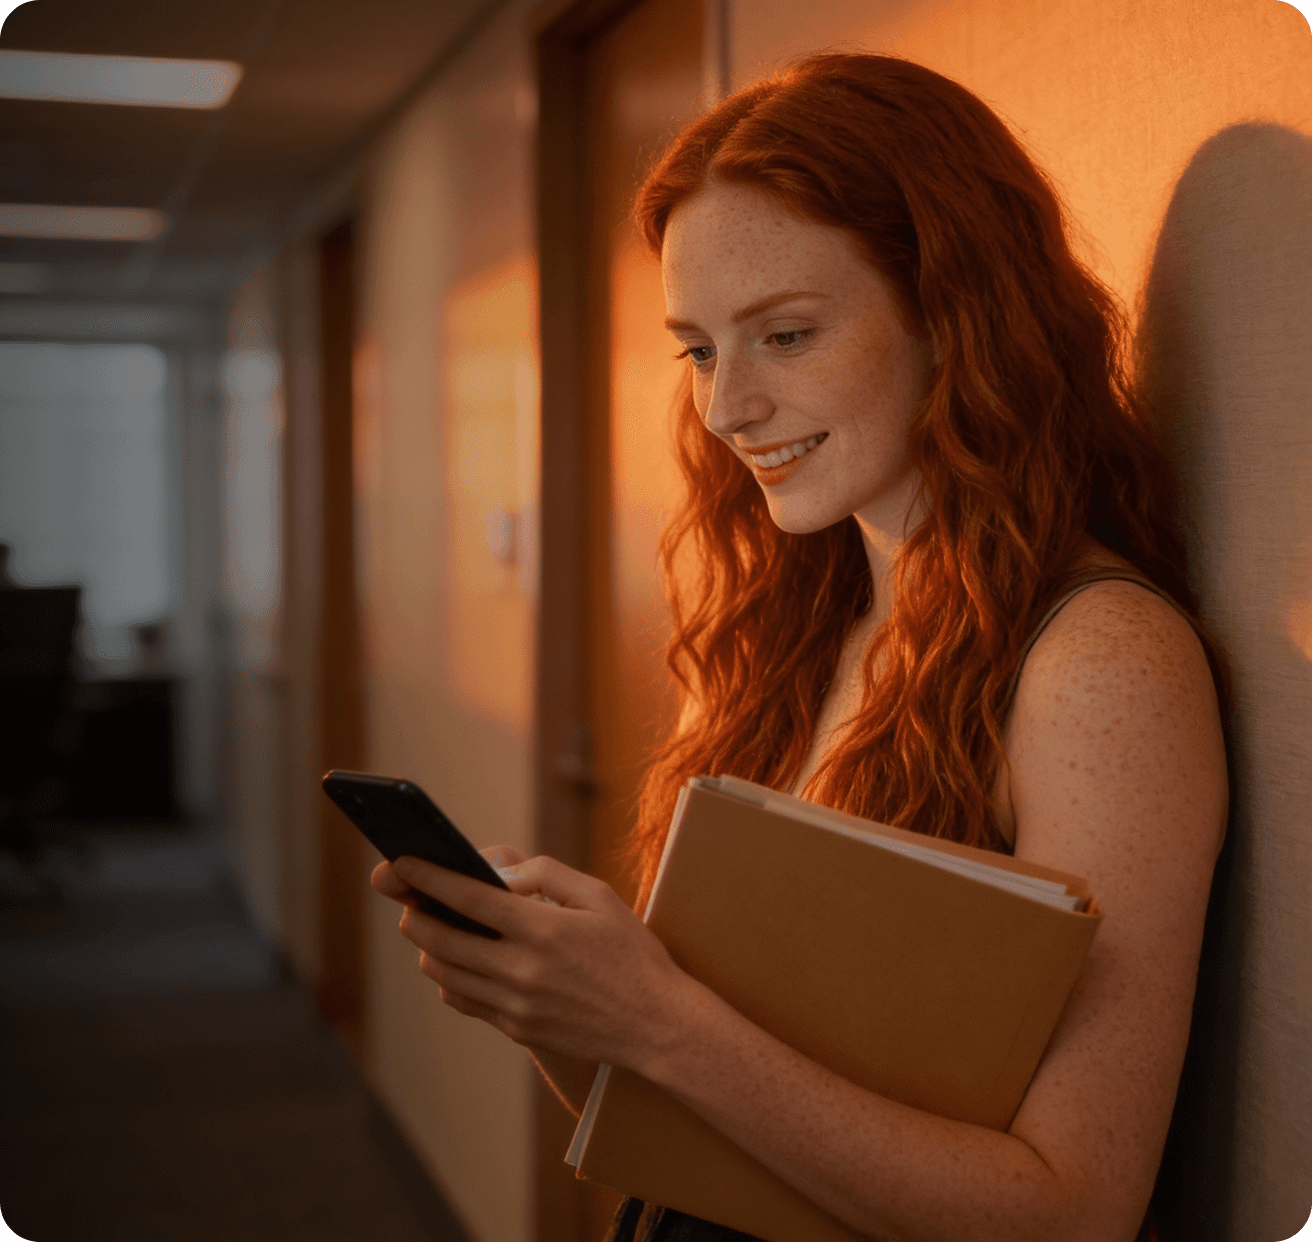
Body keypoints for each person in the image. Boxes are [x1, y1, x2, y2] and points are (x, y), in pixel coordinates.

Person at [370, 53, 1229, 1242]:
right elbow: (700, 1143)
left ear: (953, 313)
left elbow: (1072, 1213)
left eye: (783, 336)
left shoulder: (1100, 666)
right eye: (700, 349)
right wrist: (558, 1005)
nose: (725, 411)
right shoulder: (793, 630)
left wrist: (654, 1018)